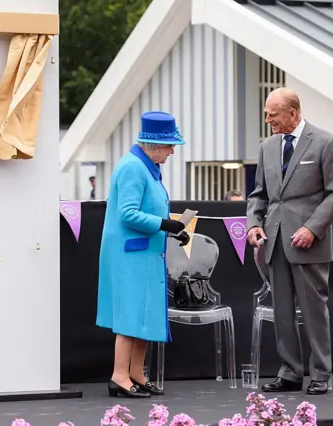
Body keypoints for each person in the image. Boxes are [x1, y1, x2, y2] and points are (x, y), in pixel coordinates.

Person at [246, 87, 333, 396]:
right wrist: (253, 224)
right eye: (267, 113)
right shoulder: (267, 147)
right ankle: (289, 372)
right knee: (283, 312)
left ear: (293, 113)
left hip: (309, 243)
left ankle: (320, 374)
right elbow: (258, 195)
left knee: (314, 310)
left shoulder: (327, 142)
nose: (268, 120)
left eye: (272, 114)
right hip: (274, 242)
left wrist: (313, 228)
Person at [96, 111, 190, 398]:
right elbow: (127, 214)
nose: (173, 151)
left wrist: (173, 228)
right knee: (130, 316)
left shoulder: (145, 166)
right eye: (171, 145)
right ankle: (119, 376)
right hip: (130, 254)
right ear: (156, 145)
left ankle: (136, 373)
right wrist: (165, 224)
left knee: (144, 315)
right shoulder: (132, 168)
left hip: (145, 253)